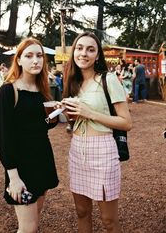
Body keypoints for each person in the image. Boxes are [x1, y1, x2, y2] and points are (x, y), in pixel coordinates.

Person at [61, 32, 132, 233]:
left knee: (109, 219)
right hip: (77, 151)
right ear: (74, 52)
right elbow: (74, 121)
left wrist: (89, 113)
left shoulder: (108, 79)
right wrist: (67, 112)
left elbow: (126, 122)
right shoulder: (72, 82)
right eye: (80, 48)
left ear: (97, 55)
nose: (84, 53)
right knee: (82, 212)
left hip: (103, 151)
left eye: (90, 49)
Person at [0, 37, 59, 233]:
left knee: (34, 220)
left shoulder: (42, 91)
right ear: (19, 60)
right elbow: (4, 138)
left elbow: (40, 127)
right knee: (28, 228)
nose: (35, 60)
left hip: (43, 160)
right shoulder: (8, 91)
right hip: (22, 167)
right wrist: (13, 177)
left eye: (39, 56)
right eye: (29, 56)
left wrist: (54, 117)